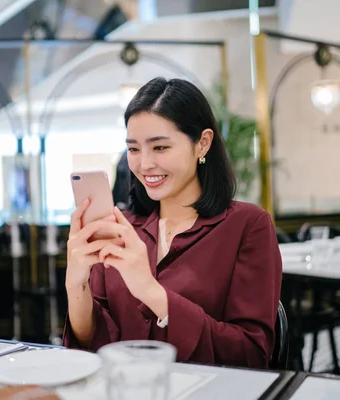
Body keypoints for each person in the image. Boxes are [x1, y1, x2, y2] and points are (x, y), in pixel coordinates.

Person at [63, 77, 282, 368]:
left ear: (202, 144)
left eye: (160, 148)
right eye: (134, 149)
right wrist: (76, 283)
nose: (144, 164)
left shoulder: (248, 225)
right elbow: (94, 346)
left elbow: (251, 355)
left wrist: (151, 291)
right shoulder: (122, 229)